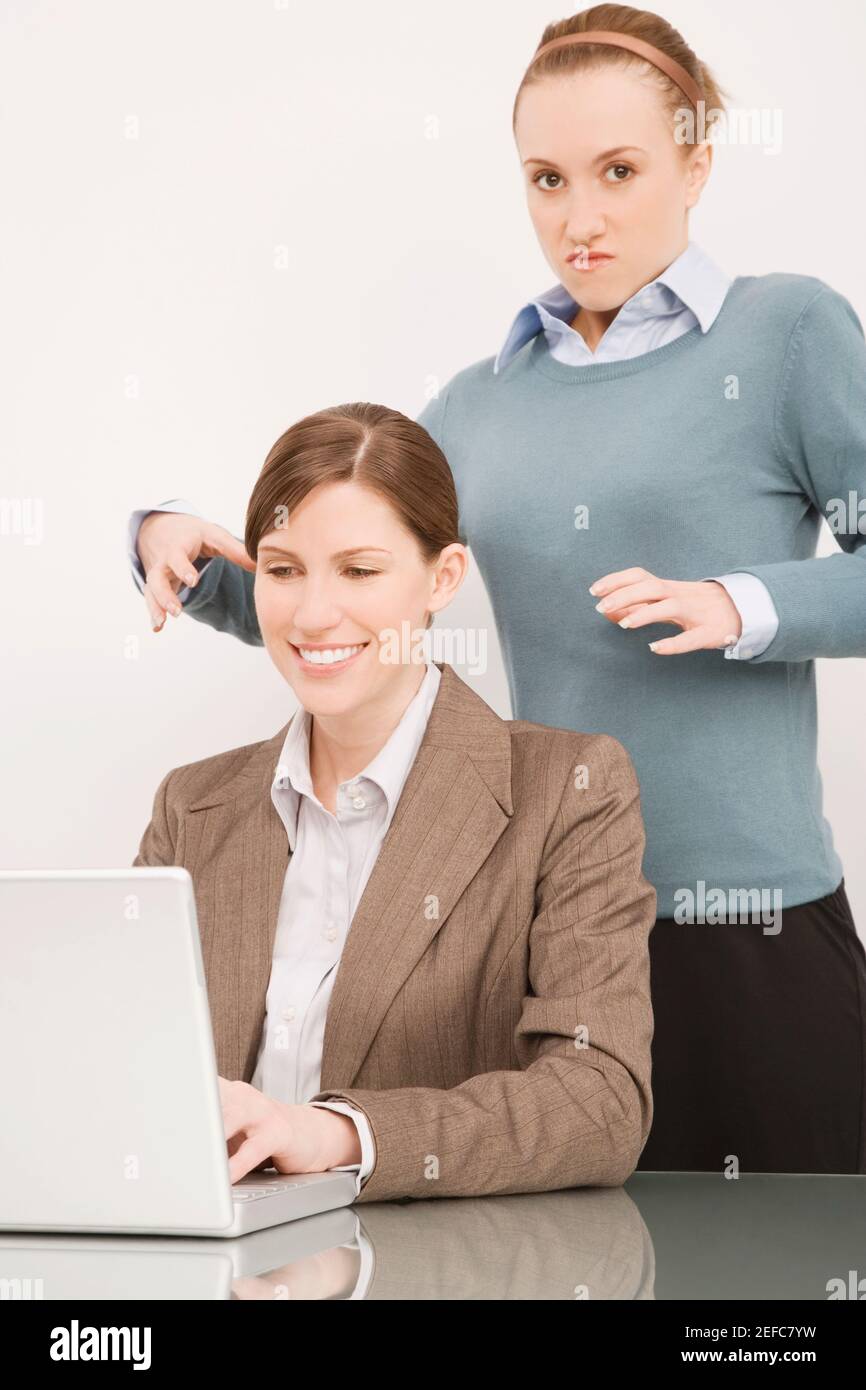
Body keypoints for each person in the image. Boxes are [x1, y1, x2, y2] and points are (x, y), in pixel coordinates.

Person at [127, 7, 866, 1174]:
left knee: (767, 1314)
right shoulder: (482, 397)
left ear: (696, 161)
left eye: (619, 171)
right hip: (543, 937)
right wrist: (167, 546)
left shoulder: (786, 335)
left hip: (741, 928)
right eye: (545, 178)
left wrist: (747, 602)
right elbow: (354, 585)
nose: (579, 218)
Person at [133, 402, 656, 1202]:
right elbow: (121, 1060)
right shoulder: (191, 806)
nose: (312, 613)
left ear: (442, 577)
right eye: (282, 569)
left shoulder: (568, 790)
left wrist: (338, 1134)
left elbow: (601, 1099)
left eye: (360, 570)